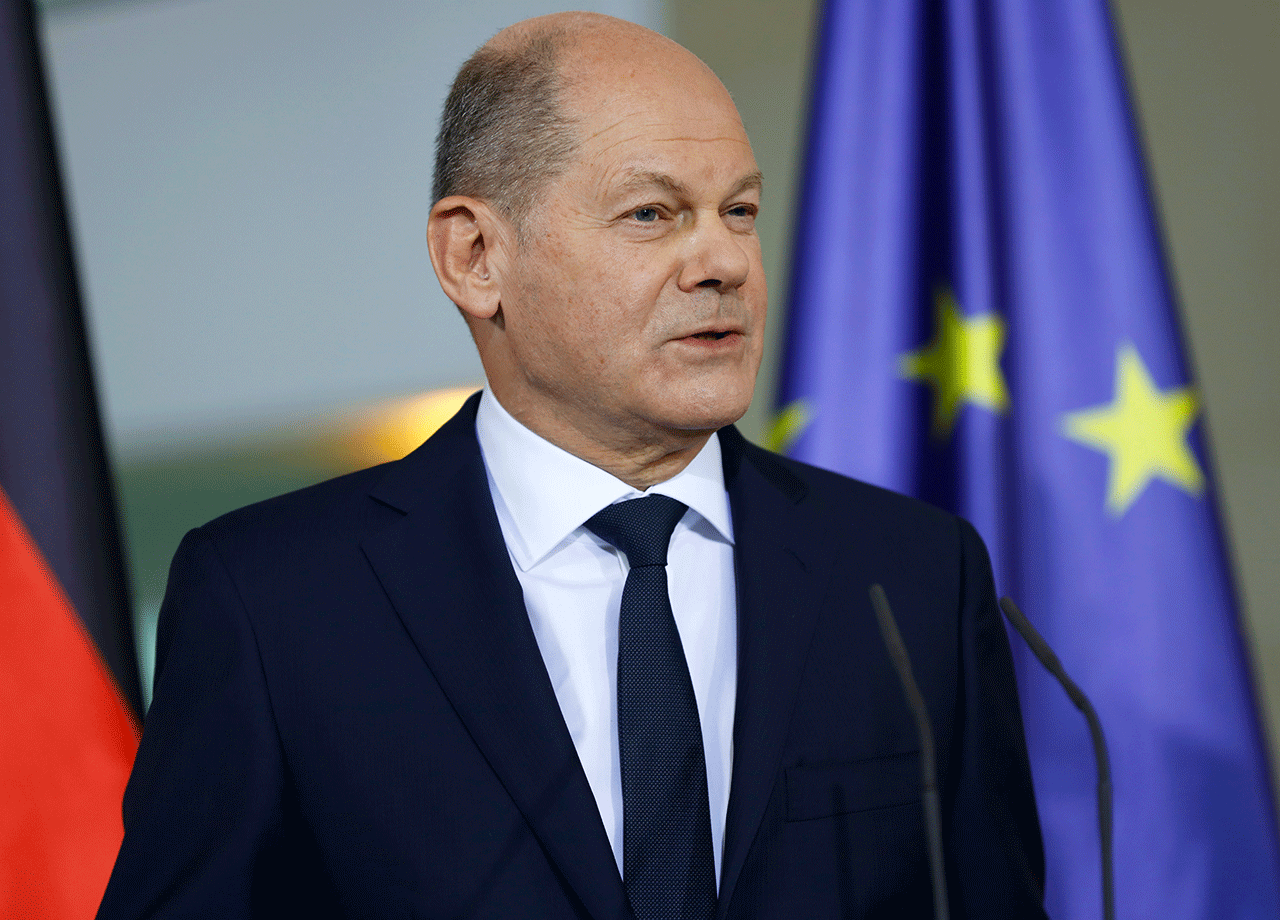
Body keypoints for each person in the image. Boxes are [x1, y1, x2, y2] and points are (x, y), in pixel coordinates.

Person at [97, 12, 1046, 920]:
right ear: (475, 256)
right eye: (651, 212)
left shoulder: (910, 575)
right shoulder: (275, 603)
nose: (723, 261)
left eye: (739, 210)